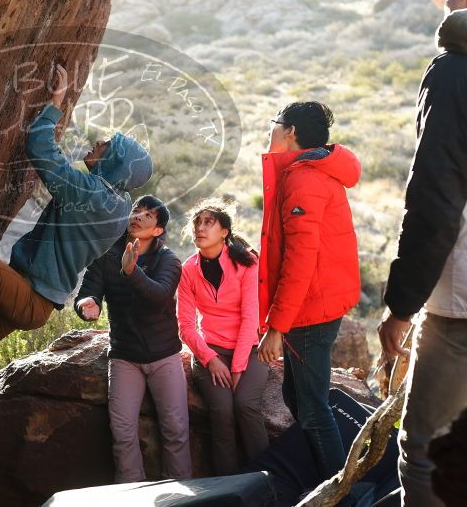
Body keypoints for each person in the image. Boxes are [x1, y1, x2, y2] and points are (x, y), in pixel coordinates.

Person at [0, 65, 153, 450]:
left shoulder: (91, 195)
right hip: (33, 296)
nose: (96, 145)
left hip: (31, 296)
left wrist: (55, 103)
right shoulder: (117, 205)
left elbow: (41, 151)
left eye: (105, 145)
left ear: (114, 163)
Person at [378, 0, 467, 506]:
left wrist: (402, 306)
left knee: (425, 458)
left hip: (459, 306)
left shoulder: (454, 71)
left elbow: (435, 199)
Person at [256, 101, 361, 484]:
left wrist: (276, 327)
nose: (271, 131)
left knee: (313, 408)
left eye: (276, 124)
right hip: (318, 303)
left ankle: (341, 491)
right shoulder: (310, 170)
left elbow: (300, 261)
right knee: (299, 399)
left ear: (292, 133)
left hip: (310, 311)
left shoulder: (303, 179)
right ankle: (327, 479)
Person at [75, 195, 191, 483]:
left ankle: (182, 497)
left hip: (164, 356)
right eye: (137, 210)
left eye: (148, 215)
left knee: (176, 430)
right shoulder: (108, 256)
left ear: (157, 230)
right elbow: (88, 291)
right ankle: (130, 494)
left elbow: (159, 297)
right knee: (123, 431)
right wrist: (87, 304)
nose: (138, 216)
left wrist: (131, 270)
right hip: (124, 356)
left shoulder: (169, 260)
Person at [177, 199, 268, 476]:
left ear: (224, 231)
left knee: (246, 405)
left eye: (208, 223)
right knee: (222, 412)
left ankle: (266, 478)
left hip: (250, 350)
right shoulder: (188, 269)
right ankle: (228, 487)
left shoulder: (247, 263)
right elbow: (185, 326)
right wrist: (210, 359)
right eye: (197, 223)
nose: (200, 229)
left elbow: (250, 318)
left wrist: (238, 366)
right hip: (211, 352)